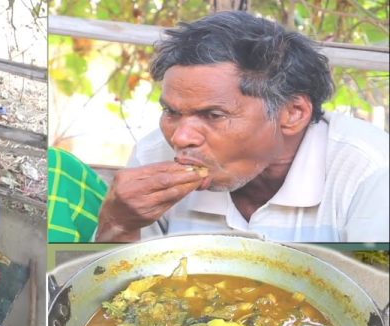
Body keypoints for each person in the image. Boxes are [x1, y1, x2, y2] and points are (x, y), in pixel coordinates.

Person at [55, 11, 389, 243]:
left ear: (293, 112)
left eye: (213, 115)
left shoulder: (370, 172)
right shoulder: (153, 152)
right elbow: (119, 301)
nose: (181, 137)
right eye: (172, 112)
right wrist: (119, 224)